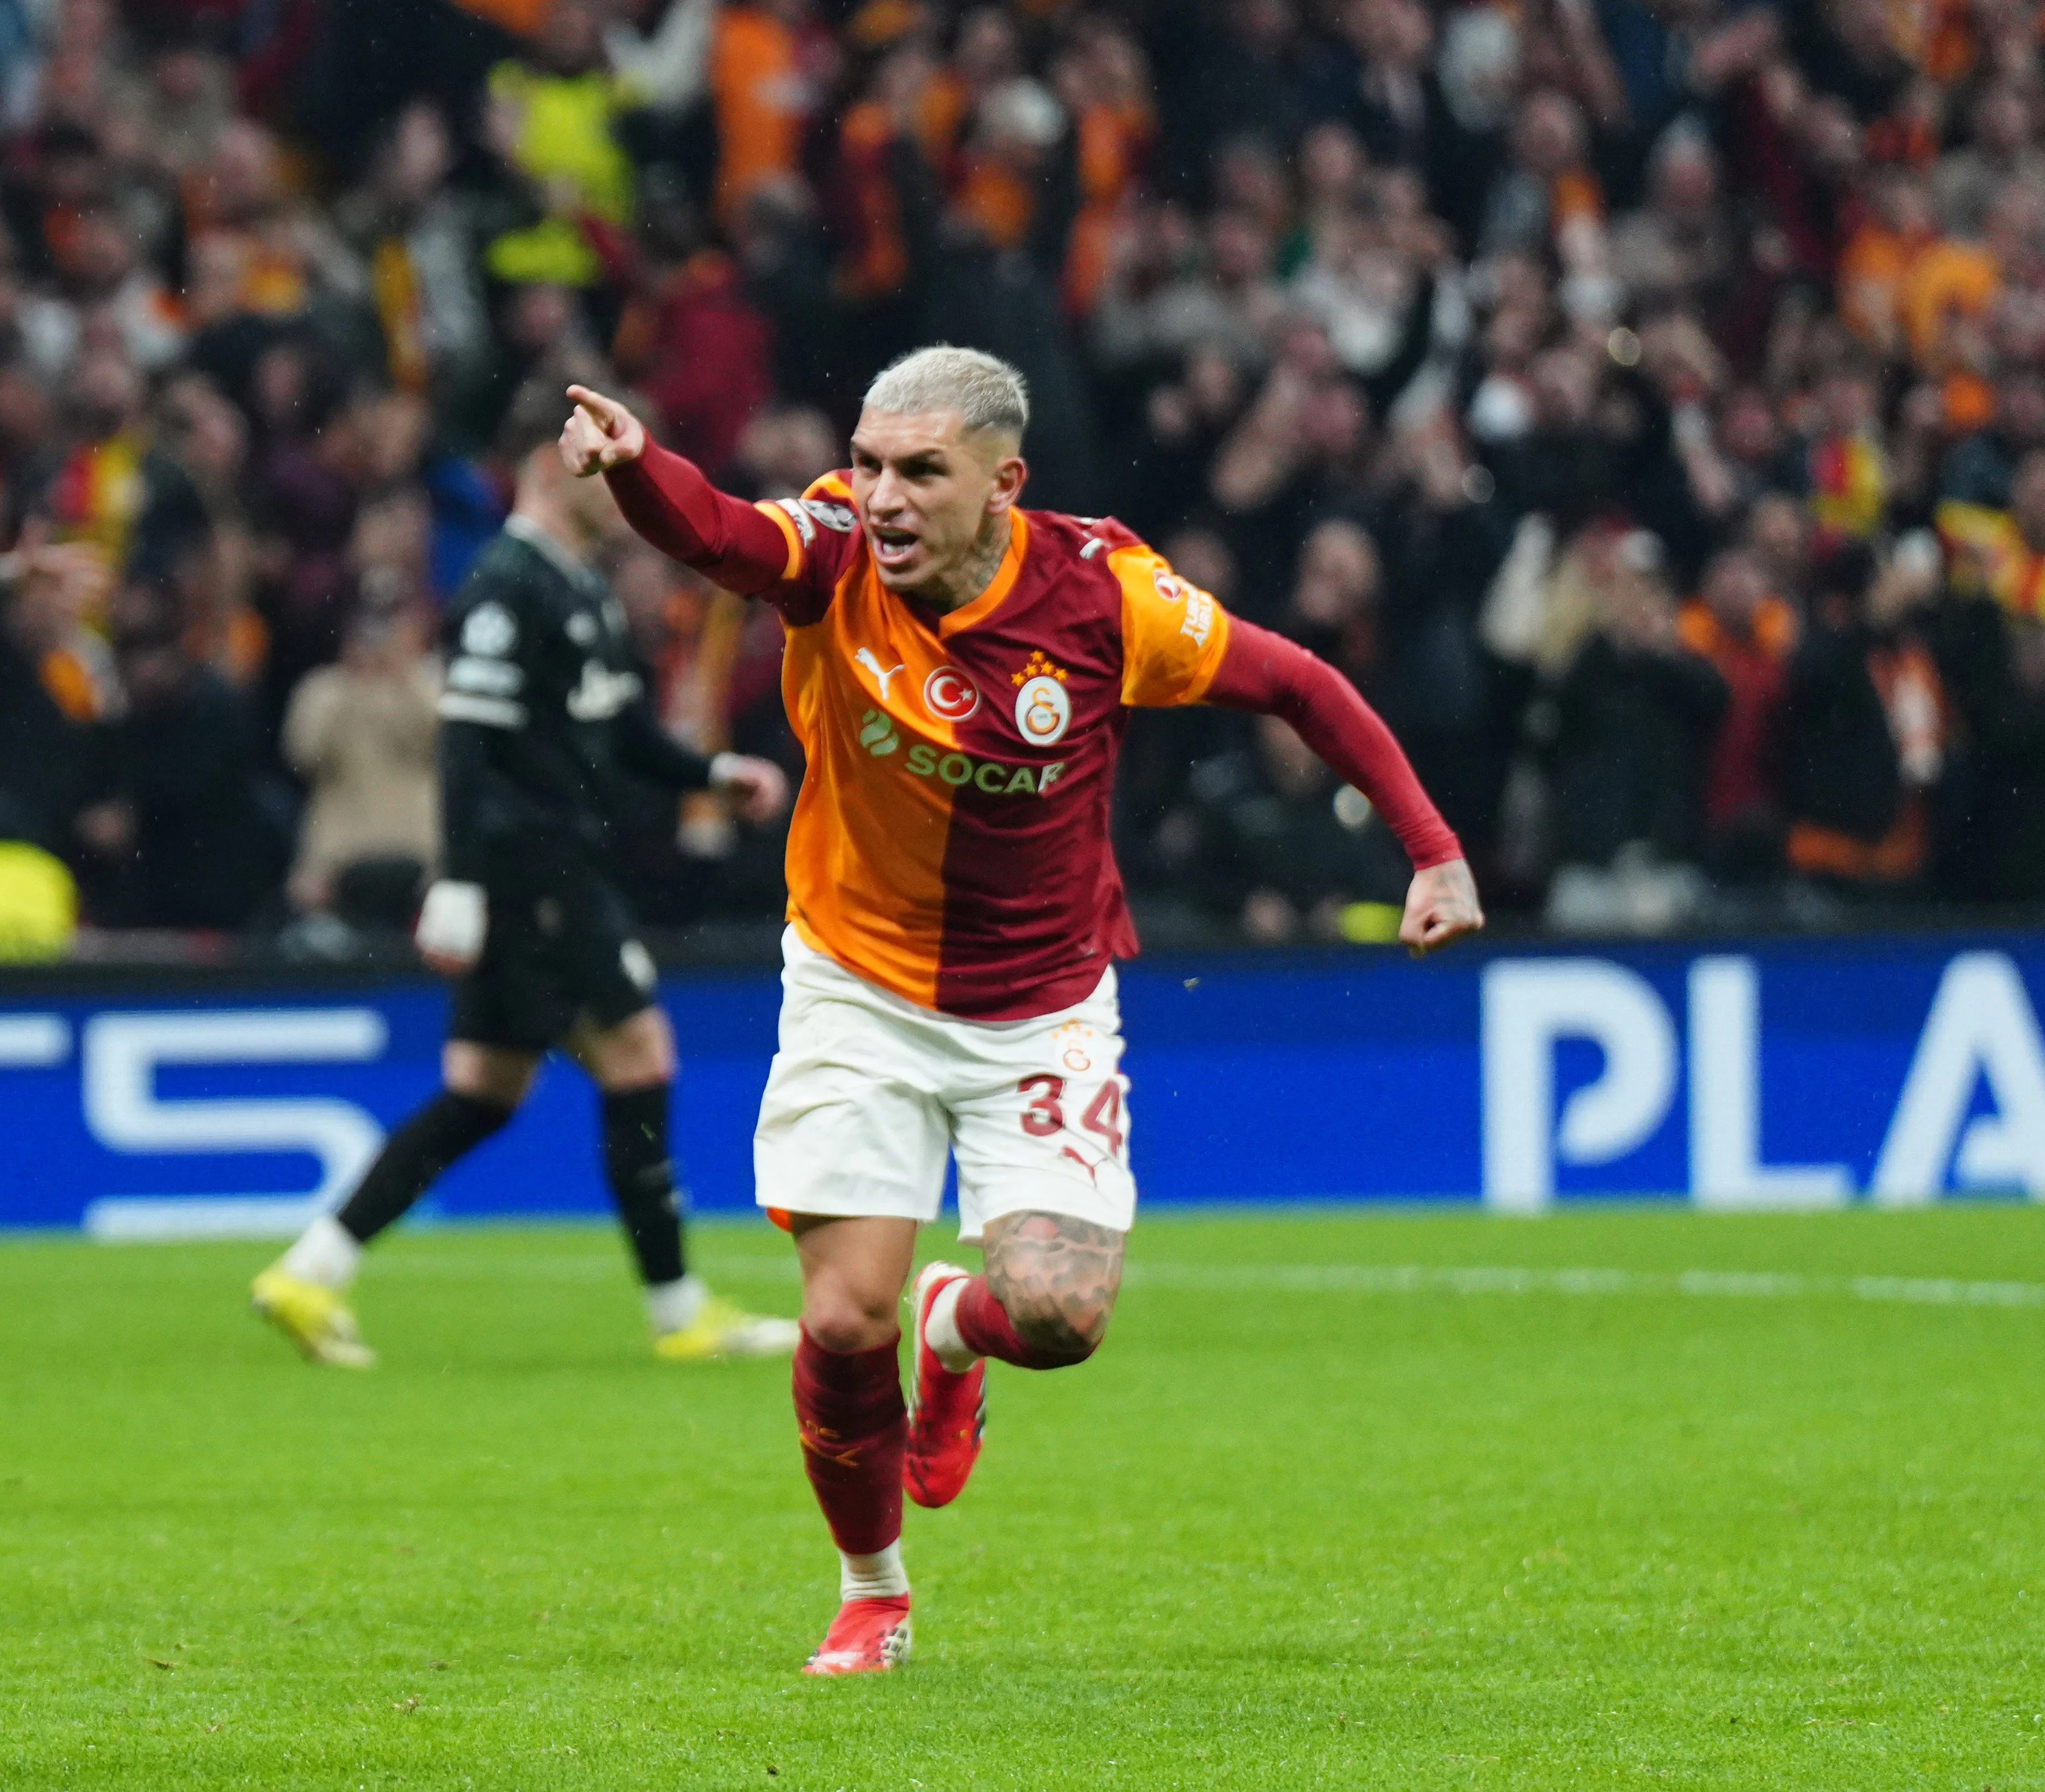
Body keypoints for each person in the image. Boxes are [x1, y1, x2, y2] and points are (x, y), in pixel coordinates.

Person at [568, 346, 1481, 1674]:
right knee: (842, 1320)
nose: (881, 497)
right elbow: (717, 532)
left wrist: (1431, 849)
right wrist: (637, 465)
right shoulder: (832, 551)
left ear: (1004, 484)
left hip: (1041, 1007)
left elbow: (1297, 683)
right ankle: (873, 1592)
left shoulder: (1106, 596)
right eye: (868, 464)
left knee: (1058, 1317)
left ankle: (956, 1327)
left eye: (919, 472)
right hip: (859, 984)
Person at [250, 386, 795, 1369]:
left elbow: (621, 729)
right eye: (601, 463)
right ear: (550, 466)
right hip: (534, 870)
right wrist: (460, 879)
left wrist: (711, 774)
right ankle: (679, 1313)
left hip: (550, 864)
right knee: (640, 1056)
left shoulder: (575, 583)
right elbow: (467, 740)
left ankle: (310, 1271)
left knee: (483, 1091)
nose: (619, 482)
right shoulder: (508, 584)